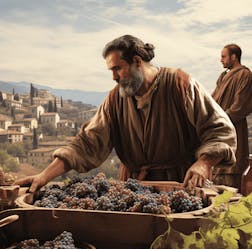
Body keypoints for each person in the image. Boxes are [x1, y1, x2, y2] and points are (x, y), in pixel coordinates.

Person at [16, 35, 236, 192]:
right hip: (134, 188)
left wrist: (204, 163)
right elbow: (87, 143)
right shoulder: (115, 99)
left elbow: (220, 129)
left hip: (181, 185)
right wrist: (44, 175)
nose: (114, 77)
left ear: (137, 62)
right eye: (111, 70)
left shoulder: (180, 84)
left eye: (117, 68)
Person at [212, 44, 252, 190]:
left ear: (234, 57)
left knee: (231, 182)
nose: (221, 60)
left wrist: (220, 120)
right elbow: (212, 101)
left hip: (233, 132)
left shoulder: (245, 75)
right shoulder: (223, 76)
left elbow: (239, 107)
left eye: (224, 56)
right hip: (218, 134)